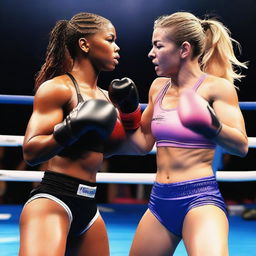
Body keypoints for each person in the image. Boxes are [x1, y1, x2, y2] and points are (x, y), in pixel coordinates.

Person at [112, 12, 248, 256]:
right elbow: (141, 144)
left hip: (200, 200)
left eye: (158, 45)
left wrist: (211, 126)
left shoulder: (217, 88)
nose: (150, 53)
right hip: (159, 202)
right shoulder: (158, 88)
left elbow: (241, 146)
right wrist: (128, 113)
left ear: (184, 49)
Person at [19, 12, 140, 256]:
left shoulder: (108, 98)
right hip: (54, 199)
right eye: (110, 40)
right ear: (84, 44)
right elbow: (31, 151)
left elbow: (130, 148)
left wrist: (130, 114)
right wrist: (71, 128)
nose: (117, 48)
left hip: (89, 206)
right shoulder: (58, 88)